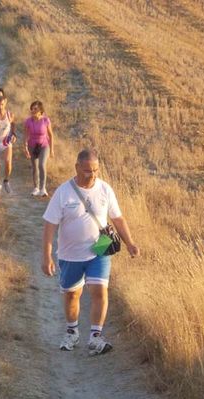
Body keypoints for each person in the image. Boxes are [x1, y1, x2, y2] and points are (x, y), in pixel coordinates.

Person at [41, 149, 140, 356]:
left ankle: (95, 337)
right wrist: (47, 255)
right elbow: (50, 224)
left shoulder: (105, 189)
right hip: (70, 254)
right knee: (71, 294)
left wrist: (130, 242)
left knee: (99, 291)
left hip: (100, 249)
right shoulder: (63, 192)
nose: (92, 174)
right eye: (87, 171)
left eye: (95, 170)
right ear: (77, 168)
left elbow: (118, 218)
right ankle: (72, 331)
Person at [24, 100, 54, 197]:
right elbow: (26, 135)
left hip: (44, 145)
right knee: (35, 167)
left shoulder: (46, 120)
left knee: (41, 165)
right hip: (32, 146)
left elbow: (51, 135)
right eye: (32, 109)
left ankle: (43, 188)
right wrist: (25, 147)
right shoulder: (28, 121)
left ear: (41, 110)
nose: (33, 111)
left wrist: (52, 149)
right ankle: (36, 188)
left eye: (35, 109)